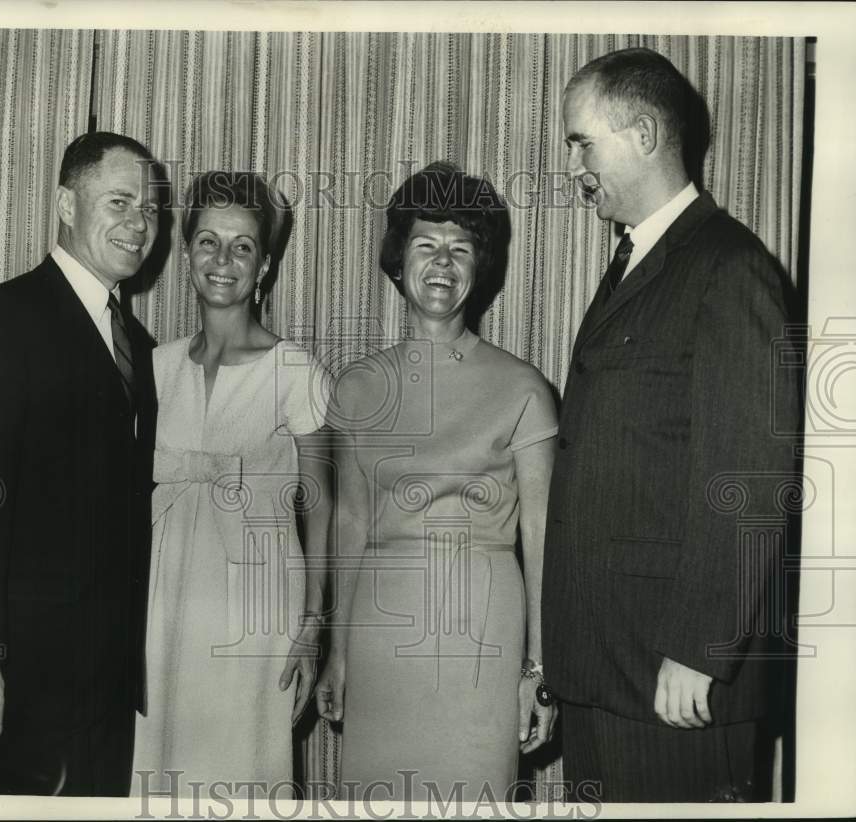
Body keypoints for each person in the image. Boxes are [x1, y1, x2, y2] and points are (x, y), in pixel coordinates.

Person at [542, 47, 802, 802]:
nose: (574, 166)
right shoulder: (639, 261)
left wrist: (700, 649)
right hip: (609, 666)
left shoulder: (728, 268)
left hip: (674, 679)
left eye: (582, 142)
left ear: (646, 136)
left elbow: (750, 476)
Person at [0, 131, 162, 795]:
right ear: (65, 203)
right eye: (119, 202)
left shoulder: (138, 346)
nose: (138, 224)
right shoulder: (1, 318)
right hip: (20, 676)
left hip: (106, 684)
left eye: (148, 209)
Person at [314, 162, 559, 802]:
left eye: (460, 247)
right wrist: (337, 653)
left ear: (481, 265)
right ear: (399, 260)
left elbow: (540, 540)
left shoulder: (524, 388)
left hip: (484, 628)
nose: (442, 263)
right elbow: (350, 524)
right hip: (381, 632)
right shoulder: (357, 386)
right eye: (426, 244)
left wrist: (538, 669)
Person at [131, 171, 333, 797]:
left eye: (242, 246)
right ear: (185, 251)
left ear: (265, 264)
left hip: (257, 614)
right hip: (160, 611)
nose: (223, 260)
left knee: (242, 781)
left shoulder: (295, 370)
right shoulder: (153, 367)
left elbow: (325, 508)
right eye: (208, 241)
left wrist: (312, 627)